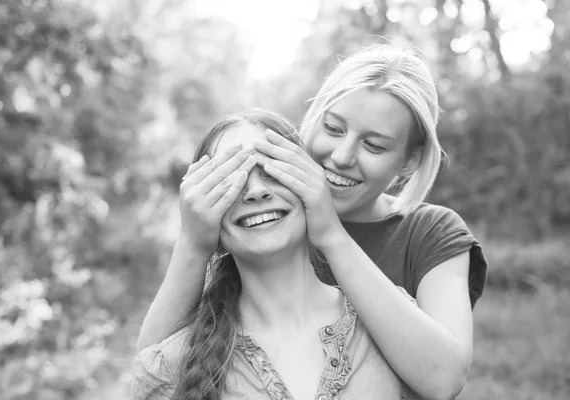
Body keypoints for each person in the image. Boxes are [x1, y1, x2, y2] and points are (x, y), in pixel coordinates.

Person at [137, 43, 487, 400]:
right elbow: (153, 374)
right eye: (333, 128)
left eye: (375, 146)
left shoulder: (430, 232)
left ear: (410, 162)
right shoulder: (262, 234)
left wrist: (331, 235)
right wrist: (193, 244)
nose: (341, 156)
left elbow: (443, 378)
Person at [131, 109, 408, 400]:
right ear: (205, 218)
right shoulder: (173, 362)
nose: (256, 191)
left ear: (313, 188)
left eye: (273, 170)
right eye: (230, 180)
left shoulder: (391, 320)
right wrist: (191, 242)